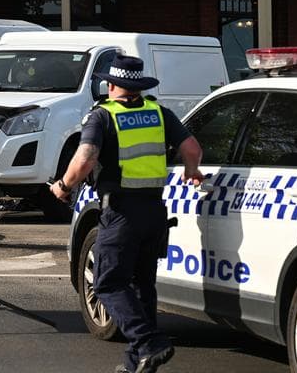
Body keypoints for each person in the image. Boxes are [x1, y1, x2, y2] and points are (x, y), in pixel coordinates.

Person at [49, 54, 204, 373]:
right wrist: (192, 171)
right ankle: (138, 363)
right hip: (154, 212)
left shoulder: (103, 116)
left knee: (107, 283)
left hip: (121, 213)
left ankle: (150, 342)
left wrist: (63, 186)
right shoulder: (159, 113)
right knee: (141, 285)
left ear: (111, 85)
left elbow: (85, 159)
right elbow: (192, 148)